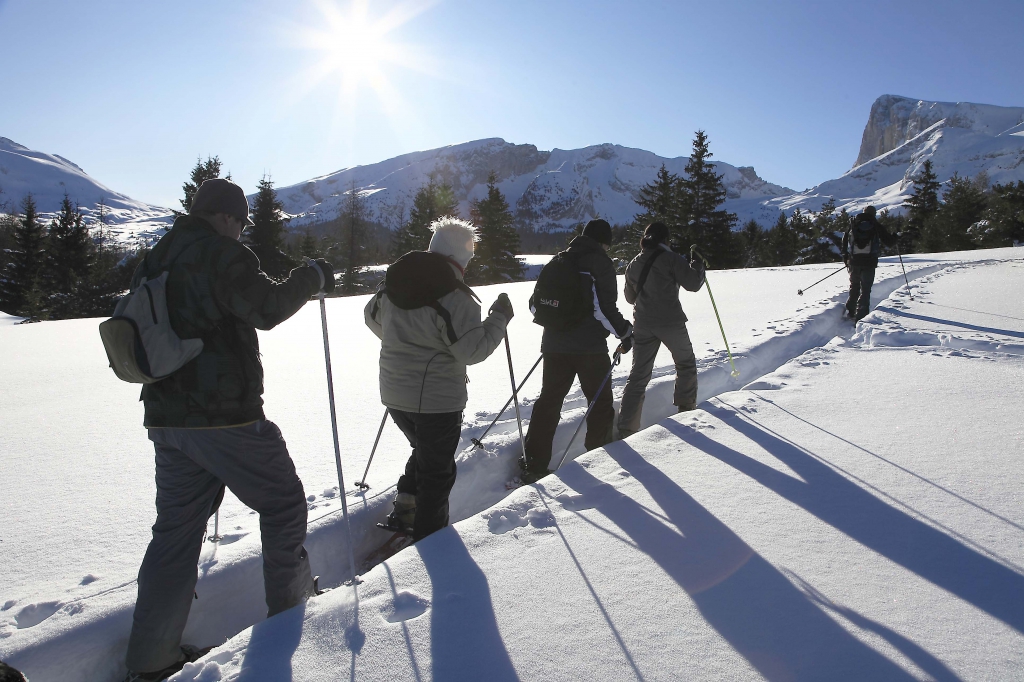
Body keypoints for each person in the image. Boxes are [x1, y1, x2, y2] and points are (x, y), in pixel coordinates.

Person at [123, 178, 333, 681]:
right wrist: (313, 277)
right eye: (238, 222)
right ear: (223, 216)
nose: (240, 231)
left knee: (174, 534)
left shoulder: (156, 257)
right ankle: (291, 618)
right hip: (225, 417)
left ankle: (151, 660)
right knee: (282, 503)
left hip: (166, 417)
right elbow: (266, 308)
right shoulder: (218, 252)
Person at [364, 217, 512, 541]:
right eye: (470, 256)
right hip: (436, 400)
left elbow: (372, 318)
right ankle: (429, 541)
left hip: (393, 393)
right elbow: (471, 351)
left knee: (424, 450)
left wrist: (404, 342)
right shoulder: (456, 296)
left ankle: (405, 505)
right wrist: (499, 319)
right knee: (437, 473)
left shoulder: (394, 284)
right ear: (460, 257)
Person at [519, 218, 633, 483]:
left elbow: (535, 306)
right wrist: (626, 333)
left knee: (549, 401)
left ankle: (533, 463)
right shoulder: (600, 264)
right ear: (604, 242)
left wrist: (560, 326)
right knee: (599, 402)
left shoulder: (558, 260)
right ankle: (599, 459)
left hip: (554, 345)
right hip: (589, 349)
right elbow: (603, 309)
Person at [616, 222, 705, 438]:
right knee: (685, 363)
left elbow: (629, 298)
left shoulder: (634, 264)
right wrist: (699, 266)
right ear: (666, 239)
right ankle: (685, 412)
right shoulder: (671, 258)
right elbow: (693, 283)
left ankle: (626, 429)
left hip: (643, 324)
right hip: (671, 322)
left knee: (638, 376)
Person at [842, 205, 898, 321]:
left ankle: (850, 310)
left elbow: (845, 241)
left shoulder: (854, 224)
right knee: (866, 288)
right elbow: (889, 242)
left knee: (854, 285)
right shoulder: (875, 225)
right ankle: (861, 314)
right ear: (874, 214)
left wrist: (846, 258)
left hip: (854, 261)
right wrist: (895, 236)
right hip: (869, 262)